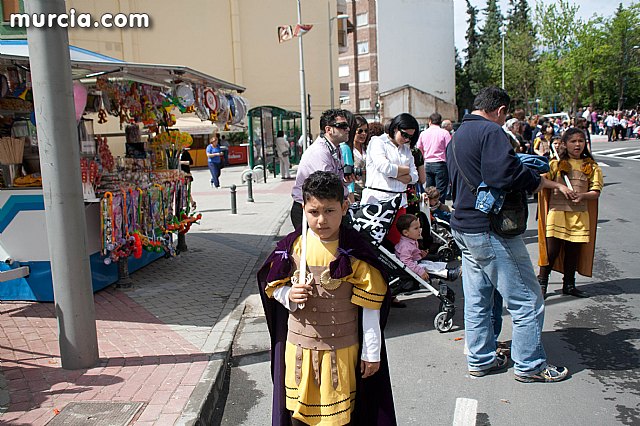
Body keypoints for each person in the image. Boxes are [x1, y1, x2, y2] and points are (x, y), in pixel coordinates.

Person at [446, 86, 571, 383]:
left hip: (464, 226)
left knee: (478, 300)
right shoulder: (491, 132)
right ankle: (529, 364)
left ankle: (480, 359)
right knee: (527, 300)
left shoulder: (456, 136)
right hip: (489, 228)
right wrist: (537, 181)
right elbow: (504, 174)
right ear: (500, 110)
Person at [257, 171, 396, 425]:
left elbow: (370, 309)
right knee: (299, 418)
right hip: (299, 353)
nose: (322, 220)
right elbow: (272, 286)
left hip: (341, 354)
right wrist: (289, 293)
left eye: (330, 211)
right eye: (314, 212)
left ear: (344, 207)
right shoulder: (293, 247)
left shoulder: (355, 251)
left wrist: (372, 352)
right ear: (303, 209)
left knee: (340, 420)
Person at [537, 128, 603, 299]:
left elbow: (596, 191)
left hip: (579, 215)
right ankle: (542, 282)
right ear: (565, 144)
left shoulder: (591, 166)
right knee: (551, 251)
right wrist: (560, 186)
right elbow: (542, 181)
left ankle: (569, 284)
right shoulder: (554, 164)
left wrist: (582, 196)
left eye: (581, 141)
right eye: (573, 141)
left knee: (573, 252)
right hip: (556, 212)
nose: (577, 145)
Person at [361, 113, 419, 246]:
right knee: (375, 244)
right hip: (378, 200)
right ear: (395, 129)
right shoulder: (378, 141)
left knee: (397, 243)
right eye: (404, 135)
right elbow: (384, 167)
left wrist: (397, 172)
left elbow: (415, 176)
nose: (406, 139)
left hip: (400, 202)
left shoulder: (406, 149)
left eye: (410, 137)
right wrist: (405, 170)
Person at [290, 109, 354, 230]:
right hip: (308, 211)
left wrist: (347, 181)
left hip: (323, 208)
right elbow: (329, 185)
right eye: (342, 126)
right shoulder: (320, 152)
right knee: (312, 248)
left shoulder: (336, 148)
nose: (348, 129)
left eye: (348, 126)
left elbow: (335, 180)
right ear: (328, 129)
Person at [394, 214, 461, 281]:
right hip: (410, 267)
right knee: (428, 268)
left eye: (419, 227)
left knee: (430, 264)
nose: (420, 230)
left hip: (416, 261)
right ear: (406, 232)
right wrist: (420, 271)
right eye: (416, 228)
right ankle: (449, 274)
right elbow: (406, 262)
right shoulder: (405, 246)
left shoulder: (410, 240)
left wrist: (420, 253)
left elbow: (412, 253)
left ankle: (447, 269)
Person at [416, 112, 452, 203]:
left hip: (427, 163)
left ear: (430, 121)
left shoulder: (423, 133)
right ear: (440, 122)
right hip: (440, 163)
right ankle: (439, 210)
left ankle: (429, 211)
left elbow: (419, 148)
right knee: (440, 191)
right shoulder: (445, 133)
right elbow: (449, 149)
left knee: (428, 191)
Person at [352, 115, 369, 201]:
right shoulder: (348, 150)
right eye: (360, 131)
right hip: (354, 194)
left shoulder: (368, 149)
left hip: (368, 193)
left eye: (366, 131)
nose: (364, 134)